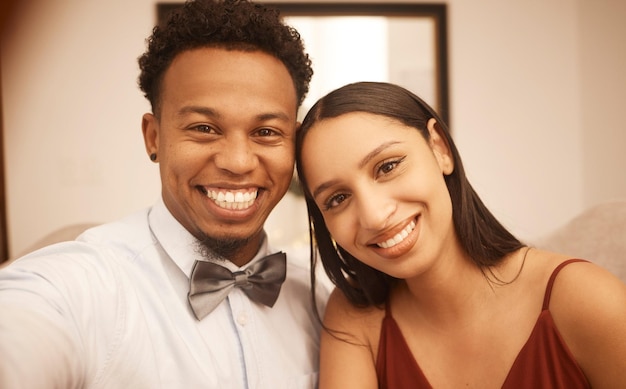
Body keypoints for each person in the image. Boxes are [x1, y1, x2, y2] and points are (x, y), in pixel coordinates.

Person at [0, 1, 328, 387]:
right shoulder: (79, 287)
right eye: (204, 128)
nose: (238, 162)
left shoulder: (323, 299)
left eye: (267, 132)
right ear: (153, 137)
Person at [295, 81, 626, 388]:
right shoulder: (356, 317)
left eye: (388, 166)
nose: (374, 216)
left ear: (440, 148)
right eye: (337, 199)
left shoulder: (586, 299)